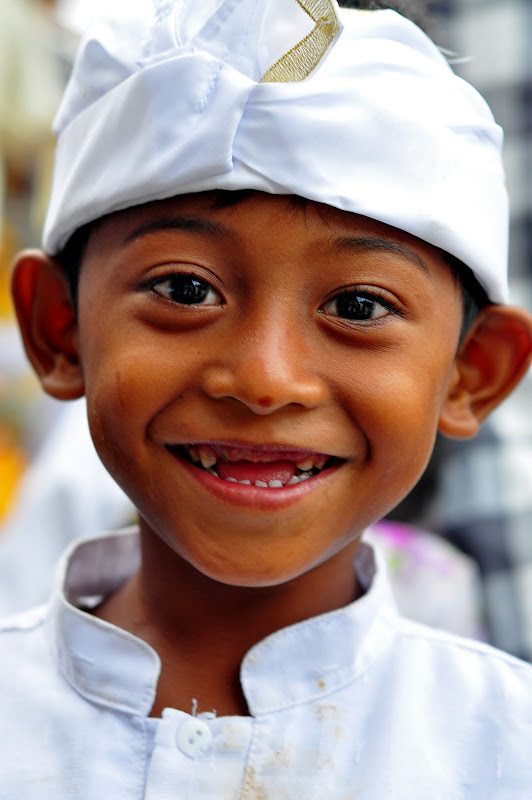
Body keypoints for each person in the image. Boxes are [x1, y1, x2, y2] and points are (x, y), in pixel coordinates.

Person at [3, 0, 532, 795]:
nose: (265, 380)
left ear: (471, 372)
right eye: (186, 289)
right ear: (59, 328)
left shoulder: (502, 749)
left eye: (358, 307)